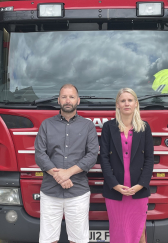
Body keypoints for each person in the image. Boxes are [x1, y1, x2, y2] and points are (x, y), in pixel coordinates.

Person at [35, 84, 99, 243]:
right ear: (58, 100)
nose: (67, 100)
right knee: (48, 239)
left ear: (78, 100)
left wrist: (67, 173)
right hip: (50, 192)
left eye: (71, 97)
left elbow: (92, 155)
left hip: (78, 191)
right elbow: (39, 153)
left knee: (78, 239)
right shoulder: (46, 125)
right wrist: (58, 176)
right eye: (64, 97)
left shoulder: (88, 126)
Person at [100, 88, 154, 243]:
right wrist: (114, 185)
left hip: (138, 189)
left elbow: (149, 159)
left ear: (136, 104)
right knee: (118, 230)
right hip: (116, 190)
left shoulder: (144, 127)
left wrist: (141, 185)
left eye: (130, 100)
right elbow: (104, 158)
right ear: (117, 104)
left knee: (140, 231)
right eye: (123, 101)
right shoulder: (108, 128)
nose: (126, 104)